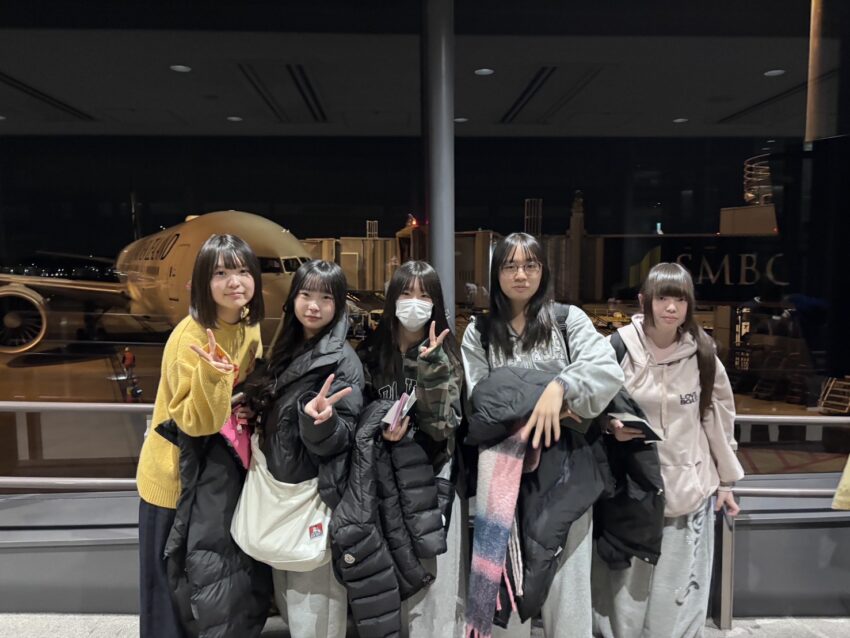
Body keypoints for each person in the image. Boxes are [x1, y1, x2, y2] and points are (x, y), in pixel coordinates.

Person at [461, 232, 624, 637]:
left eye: (530, 265)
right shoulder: (479, 332)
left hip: (568, 471)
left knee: (568, 591)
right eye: (510, 266)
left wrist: (561, 386)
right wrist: (552, 396)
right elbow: (483, 399)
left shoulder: (568, 320)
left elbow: (606, 370)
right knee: (509, 586)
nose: (521, 275)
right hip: (505, 473)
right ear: (496, 273)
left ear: (543, 271)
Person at [592, 262, 745, 638]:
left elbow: (717, 420)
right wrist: (610, 426)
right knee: (624, 594)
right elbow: (590, 406)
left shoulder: (703, 354)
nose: (672, 308)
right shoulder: (615, 348)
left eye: (680, 299)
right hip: (631, 491)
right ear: (644, 300)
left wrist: (726, 482)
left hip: (686, 493)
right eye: (663, 298)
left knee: (675, 596)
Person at [136, 234, 265, 638]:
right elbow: (196, 423)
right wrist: (213, 376)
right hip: (174, 481)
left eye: (242, 271)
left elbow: (244, 385)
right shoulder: (189, 338)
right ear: (202, 283)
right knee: (167, 597)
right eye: (221, 273)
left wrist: (248, 404)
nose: (234, 282)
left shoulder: (248, 327)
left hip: (212, 476)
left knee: (209, 590)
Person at [246, 259, 364, 638]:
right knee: (291, 603)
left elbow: (344, 437)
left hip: (314, 499)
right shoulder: (288, 346)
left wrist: (322, 422)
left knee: (315, 613)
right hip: (284, 495)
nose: (314, 306)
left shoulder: (342, 361)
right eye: (306, 295)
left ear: (339, 304)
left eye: (326, 298)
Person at [357, 260, 465, 637]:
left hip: (430, 482)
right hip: (385, 484)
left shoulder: (446, 353)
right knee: (389, 583)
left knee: (432, 588)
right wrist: (380, 427)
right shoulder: (371, 352)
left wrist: (432, 369)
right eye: (406, 293)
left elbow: (443, 427)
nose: (414, 303)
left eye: (424, 295)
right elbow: (358, 415)